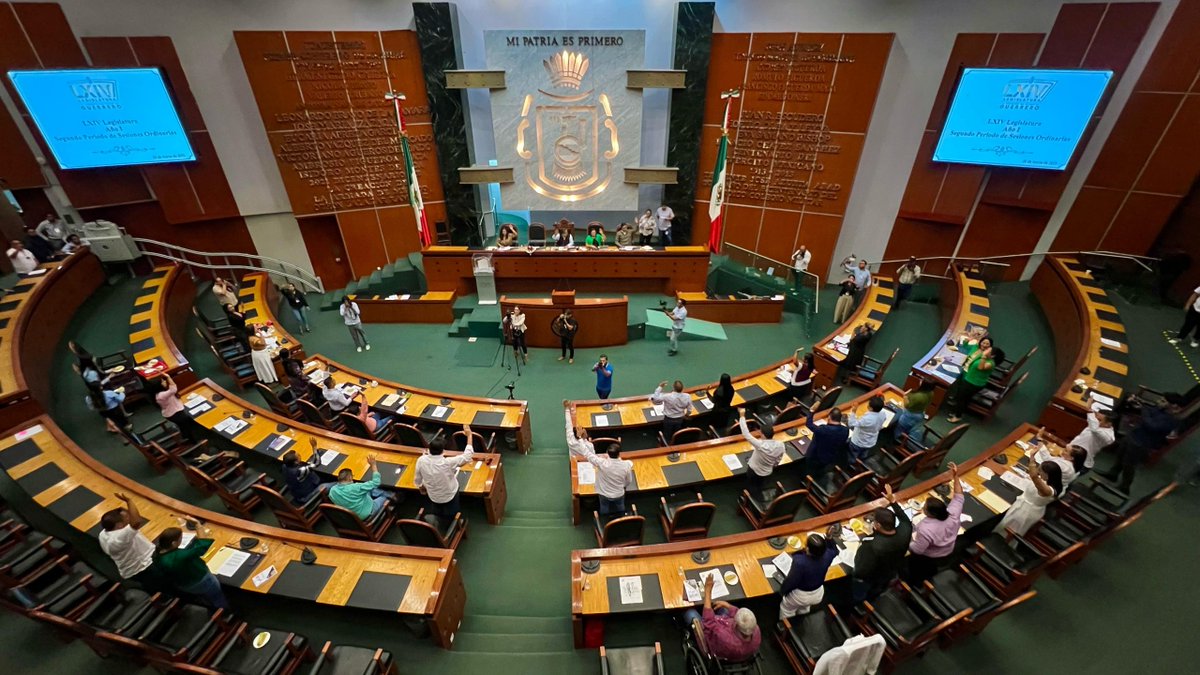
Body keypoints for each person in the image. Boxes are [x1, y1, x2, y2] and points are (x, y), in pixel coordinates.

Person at [1097, 394, 1181, 492]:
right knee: (1120, 454)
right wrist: (1140, 405)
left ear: (1173, 406)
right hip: (1134, 434)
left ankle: (1125, 487)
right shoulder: (1159, 409)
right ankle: (1113, 474)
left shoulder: (1172, 420)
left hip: (1142, 443)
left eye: (1163, 401)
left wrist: (1144, 410)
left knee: (1129, 464)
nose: (1159, 402)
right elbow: (1150, 412)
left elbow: (1152, 426)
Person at [906, 462, 964, 583]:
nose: (922, 507)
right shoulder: (952, 513)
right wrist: (956, 475)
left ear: (931, 514)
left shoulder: (925, 529)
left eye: (924, 507)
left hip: (929, 558)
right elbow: (959, 496)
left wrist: (907, 543)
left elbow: (917, 550)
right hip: (948, 550)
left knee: (914, 573)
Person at [852, 485, 912, 602]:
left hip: (872, 578)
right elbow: (904, 519)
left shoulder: (872, 545)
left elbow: (860, 571)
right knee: (879, 588)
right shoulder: (905, 530)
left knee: (861, 593)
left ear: (878, 525)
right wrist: (892, 501)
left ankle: (860, 605)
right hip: (891, 571)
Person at [683, 575, 760, 663]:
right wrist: (727, 605)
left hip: (713, 640)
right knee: (721, 607)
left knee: (690, 613)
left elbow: (708, 622)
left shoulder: (724, 637)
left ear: (736, 624)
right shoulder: (755, 630)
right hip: (729, 641)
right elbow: (739, 614)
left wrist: (708, 590)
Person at [153, 526, 229, 609]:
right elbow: (202, 546)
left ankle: (206, 604)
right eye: (180, 539)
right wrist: (198, 526)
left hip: (183, 585)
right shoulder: (180, 556)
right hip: (202, 581)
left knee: (203, 596)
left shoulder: (157, 555)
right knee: (217, 597)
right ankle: (222, 611)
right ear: (174, 543)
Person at [99, 493, 160, 589]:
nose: (130, 517)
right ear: (119, 525)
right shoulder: (118, 538)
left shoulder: (105, 532)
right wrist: (129, 501)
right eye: (127, 517)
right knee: (160, 585)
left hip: (138, 565)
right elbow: (136, 522)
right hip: (143, 567)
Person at [415, 427, 475, 525]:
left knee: (438, 511)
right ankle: (454, 523)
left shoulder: (421, 460)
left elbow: (417, 479)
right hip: (450, 495)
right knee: (452, 514)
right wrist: (469, 435)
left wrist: (421, 487)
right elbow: (467, 456)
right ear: (443, 451)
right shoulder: (447, 462)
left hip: (433, 496)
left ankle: (439, 520)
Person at [997, 455, 1062, 536]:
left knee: (1010, 530)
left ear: (1046, 474)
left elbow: (1034, 476)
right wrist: (1032, 458)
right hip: (1025, 505)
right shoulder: (1051, 481)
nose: (1038, 471)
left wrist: (1031, 460)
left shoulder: (1048, 490)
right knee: (1005, 524)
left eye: (1040, 470)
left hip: (1026, 512)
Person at [778, 531, 838, 619]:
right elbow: (834, 550)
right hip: (817, 594)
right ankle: (802, 619)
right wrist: (829, 538)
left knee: (787, 610)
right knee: (804, 607)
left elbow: (792, 581)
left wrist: (782, 591)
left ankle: (786, 626)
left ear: (808, 549)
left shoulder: (800, 562)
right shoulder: (827, 555)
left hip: (800, 595)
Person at [945, 340, 1002, 424]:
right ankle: (956, 412)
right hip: (969, 379)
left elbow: (980, 367)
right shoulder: (984, 357)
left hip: (974, 383)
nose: (986, 350)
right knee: (962, 397)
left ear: (992, 356)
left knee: (962, 399)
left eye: (988, 351)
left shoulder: (990, 363)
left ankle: (958, 416)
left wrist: (983, 356)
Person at [738, 408, 784, 499]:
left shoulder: (760, 445)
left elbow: (746, 433)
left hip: (754, 471)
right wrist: (774, 465)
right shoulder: (781, 445)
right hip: (767, 471)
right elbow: (778, 459)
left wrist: (742, 416)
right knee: (760, 484)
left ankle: (749, 498)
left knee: (751, 485)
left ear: (763, 435)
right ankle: (757, 492)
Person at [582, 441, 633, 519]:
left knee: (604, 506)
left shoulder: (602, 463)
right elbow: (629, 480)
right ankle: (622, 515)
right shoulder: (626, 465)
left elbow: (587, 454)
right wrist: (623, 486)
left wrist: (580, 440)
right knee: (620, 505)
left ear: (607, 453)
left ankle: (604, 519)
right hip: (618, 493)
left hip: (603, 493)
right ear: (619, 454)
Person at [329, 454, 390, 519]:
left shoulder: (332, 491)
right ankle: (394, 496)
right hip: (367, 513)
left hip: (351, 518)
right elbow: (376, 482)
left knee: (369, 489)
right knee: (384, 497)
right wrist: (373, 465)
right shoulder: (357, 487)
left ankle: (390, 494)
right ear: (350, 477)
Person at [805, 407, 849, 478]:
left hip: (815, 456)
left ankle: (809, 478)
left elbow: (809, 424)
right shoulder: (845, 430)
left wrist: (811, 411)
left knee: (810, 470)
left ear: (829, 417)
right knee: (821, 468)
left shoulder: (823, 429)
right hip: (830, 457)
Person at [153, 373, 195, 441]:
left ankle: (187, 437)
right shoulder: (161, 395)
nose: (164, 381)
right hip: (174, 414)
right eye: (162, 381)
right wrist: (168, 377)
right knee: (185, 427)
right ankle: (192, 441)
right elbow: (173, 389)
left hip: (174, 410)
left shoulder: (160, 393)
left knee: (184, 426)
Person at [846, 395, 886, 463]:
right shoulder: (883, 414)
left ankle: (851, 465)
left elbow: (851, 423)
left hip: (859, 442)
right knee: (864, 454)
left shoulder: (867, 419)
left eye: (868, 404)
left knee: (852, 456)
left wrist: (853, 411)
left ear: (871, 408)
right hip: (871, 441)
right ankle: (861, 461)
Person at [893, 380, 934, 445]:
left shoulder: (918, 396)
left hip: (910, 415)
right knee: (909, 427)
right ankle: (905, 436)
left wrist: (905, 396)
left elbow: (907, 405)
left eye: (922, 380)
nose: (920, 380)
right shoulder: (931, 392)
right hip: (920, 414)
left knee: (900, 429)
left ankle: (897, 442)